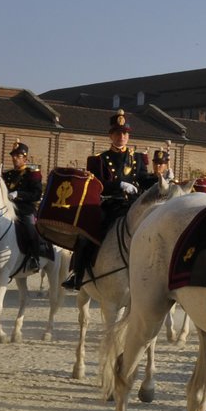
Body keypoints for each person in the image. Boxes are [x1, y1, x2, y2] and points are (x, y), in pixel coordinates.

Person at [62, 111, 149, 290]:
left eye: (124, 133)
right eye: (117, 133)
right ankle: (77, 273)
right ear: (111, 135)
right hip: (111, 204)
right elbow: (98, 184)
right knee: (88, 234)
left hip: (133, 204)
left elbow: (143, 178)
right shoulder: (99, 160)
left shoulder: (138, 158)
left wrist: (160, 178)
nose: (121, 137)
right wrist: (120, 185)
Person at [2, 142, 47, 274]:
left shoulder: (32, 173)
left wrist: (18, 194)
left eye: (18, 156)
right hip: (6, 208)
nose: (15, 158)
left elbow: (36, 194)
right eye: (13, 156)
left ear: (25, 158)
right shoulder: (8, 174)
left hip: (24, 208)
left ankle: (34, 257)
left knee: (29, 226)